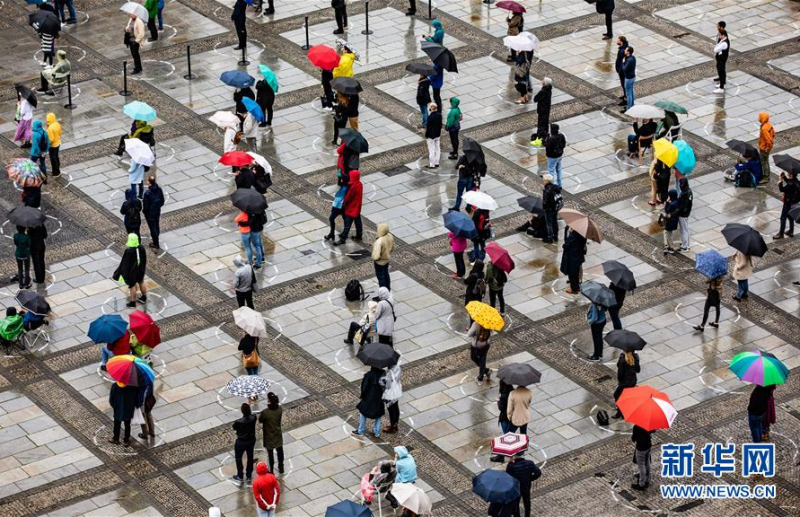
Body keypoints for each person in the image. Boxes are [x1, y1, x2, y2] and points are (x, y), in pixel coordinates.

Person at [112, 233, 148, 308]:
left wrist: (123, 273)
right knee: (141, 281)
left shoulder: (129, 251)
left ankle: (133, 302)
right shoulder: (141, 247)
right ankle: (144, 297)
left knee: (132, 286)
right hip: (140, 269)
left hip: (132, 271)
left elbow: (125, 263)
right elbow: (144, 259)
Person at [354, 367, 385, 438]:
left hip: (369, 397)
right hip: (379, 398)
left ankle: (361, 431)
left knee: (363, 412)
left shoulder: (368, 375)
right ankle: (376, 432)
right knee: (378, 414)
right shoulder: (384, 375)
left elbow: (364, 387)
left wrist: (362, 395)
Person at [258, 393, 285, 474]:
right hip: (277, 433)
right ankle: (281, 467)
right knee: (280, 451)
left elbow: (260, 420)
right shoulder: (280, 409)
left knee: (270, 454)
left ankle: (271, 470)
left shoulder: (265, 412)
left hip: (269, 435)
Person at [231, 403, 257, 484]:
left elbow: (234, 427)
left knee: (238, 458)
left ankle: (240, 476)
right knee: (250, 456)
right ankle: (249, 474)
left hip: (241, 441)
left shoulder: (239, 422)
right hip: (251, 440)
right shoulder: (254, 417)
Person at [490, 380, 514, 462]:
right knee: (509, 435)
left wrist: (498, 400)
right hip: (514, 417)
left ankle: (501, 456)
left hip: (505, 418)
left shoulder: (504, 396)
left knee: (506, 437)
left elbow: (501, 408)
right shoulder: (513, 392)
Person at [109, 381, 138, 446]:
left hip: (118, 408)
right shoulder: (132, 386)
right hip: (128, 409)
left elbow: (111, 399)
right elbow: (135, 398)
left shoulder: (115, 386)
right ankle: (126, 440)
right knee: (127, 425)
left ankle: (116, 438)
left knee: (116, 424)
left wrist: (115, 406)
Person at [612, 351, 639, 418]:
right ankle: (624, 411)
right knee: (626, 397)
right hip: (632, 381)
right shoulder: (636, 357)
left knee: (617, 395)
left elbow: (620, 373)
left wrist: (620, 381)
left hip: (624, 383)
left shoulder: (623, 359)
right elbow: (638, 370)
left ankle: (620, 412)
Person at [560, 227, 586, 294]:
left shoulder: (575, 234)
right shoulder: (583, 233)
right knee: (576, 272)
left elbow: (566, 245)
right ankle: (577, 286)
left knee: (572, 273)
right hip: (578, 255)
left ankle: (574, 289)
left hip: (572, 256)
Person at [141, 176, 164, 249]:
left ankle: (155, 243)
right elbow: (162, 200)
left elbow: (145, 205)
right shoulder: (159, 189)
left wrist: (144, 211)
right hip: (157, 210)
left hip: (150, 213)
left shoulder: (147, 193)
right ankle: (156, 236)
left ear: (149, 182)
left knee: (152, 227)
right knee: (156, 224)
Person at [776, 169, 799, 239]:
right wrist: (784, 177)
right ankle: (791, 231)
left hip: (788, 202)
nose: (788, 173)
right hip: (794, 202)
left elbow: (782, 189)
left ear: (791, 174)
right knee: (790, 216)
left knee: (783, 218)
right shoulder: (797, 181)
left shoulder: (790, 184)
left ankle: (781, 234)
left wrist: (780, 182)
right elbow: (790, 182)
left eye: (789, 173)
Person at [529, 78, 552, 146]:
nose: (541, 81)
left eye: (543, 80)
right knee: (545, 123)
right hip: (546, 109)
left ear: (544, 83)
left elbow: (535, 99)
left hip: (542, 110)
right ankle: (545, 136)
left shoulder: (543, 91)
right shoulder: (549, 90)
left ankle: (539, 139)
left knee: (541, 124)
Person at [467, 320, 492, 385]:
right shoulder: (490, 322)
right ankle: (486, 371)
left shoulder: (476, 324)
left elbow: (469, 334)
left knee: (474, 358)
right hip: (486, 344)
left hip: (477, 345)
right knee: (482, 359)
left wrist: (468, 329)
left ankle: (480, 377)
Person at [380, 363, 402, 434]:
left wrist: (382, 382)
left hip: (390, 394)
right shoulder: (398, 368)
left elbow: (388, 386)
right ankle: (395, 424)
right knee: (396, 407)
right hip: (396, 391)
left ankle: (392, 427)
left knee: (391, 410)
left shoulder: (389, 373)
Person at [372, 223, 394, 290]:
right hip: (386, 259)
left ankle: (383, 292)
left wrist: (375, 258)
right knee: (386, 274)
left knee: (381, 277)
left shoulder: (379, 241)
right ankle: (388, 289)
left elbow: (376, 256)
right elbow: (392, 247)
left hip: (380, 262)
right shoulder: (390, 236)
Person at [631, 424, 652, 490]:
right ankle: (647, 480)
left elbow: (633, 439)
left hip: (641, 448)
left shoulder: (636, 427)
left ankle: (641, 484)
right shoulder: (649, 424)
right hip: (648, 445)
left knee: (641, 466)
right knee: (647, 462)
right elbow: (652, 431)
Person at [464, 260, 486, 324]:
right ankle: (475, 324)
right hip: (478, 294)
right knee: (476, 310)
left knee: (472, 311)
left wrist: (467, 277)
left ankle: (472, 326)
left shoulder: (473, 275)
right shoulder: (482, 274)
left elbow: (466, 282)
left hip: (472, 294)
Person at [542, 174, 561, 244]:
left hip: (549, 209)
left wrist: (544, 207)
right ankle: (556, 236)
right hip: (555, 208)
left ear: (546, 181)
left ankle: (549, 238)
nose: (543, 181)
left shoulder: (547, 190)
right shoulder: (555, 187)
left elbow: (545, 201)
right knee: (555, 221)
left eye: (544, 180)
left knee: (549, 224)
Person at [676, 177, 692, 251]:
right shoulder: (689, 191)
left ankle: (685, 246)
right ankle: (686, 243)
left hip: (683, 214)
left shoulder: (684, 194)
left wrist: (677, 211)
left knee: (683, 230)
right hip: (687, 213)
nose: (680, 185)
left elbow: (682, 206)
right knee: (686, 228)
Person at [759, 112, 775, 184]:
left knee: (764, 162)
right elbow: (773, 133)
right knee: (766, 161)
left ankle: (766, 177)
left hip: (764, 149)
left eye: (759, 117)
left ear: (762, 118)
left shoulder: (764, 128)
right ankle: (767, 174)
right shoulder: (768, 125)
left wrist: (767, 148)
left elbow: (769, 140)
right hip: (765, 148)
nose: (758, 118)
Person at [662, 189, 680, 254]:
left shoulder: (672, 204)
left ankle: (669, 247)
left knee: (667, 234)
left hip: (669, 222)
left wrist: (667, 202)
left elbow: (666, 210)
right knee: (668, 233)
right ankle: (668, 246)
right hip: (674, 222)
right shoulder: (677, 202)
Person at [713, 23, 729, 94]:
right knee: (721, 71)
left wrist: (717, 47)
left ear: (723, 35)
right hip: (720, 58)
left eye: (720, 35)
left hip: (722, 59)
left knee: (721, 72)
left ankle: (721, 88)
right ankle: (722, 83)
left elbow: (715, 50)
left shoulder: (724, 43)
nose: (719, 36)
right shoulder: (723, 40)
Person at [45, 113, 62, 178]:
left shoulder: (50, 128)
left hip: (53, 145)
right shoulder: (57, 124)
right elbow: (60, 132)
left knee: (53, 159)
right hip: (58, 143)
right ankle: (58, 169)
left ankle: (56, 172)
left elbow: (51, 139)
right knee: (56, 156)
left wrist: (47, 144)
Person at [425, 102, 442, 169]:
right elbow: (440, 125)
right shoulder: (439, 115)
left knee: (431, 150)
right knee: (438, 148)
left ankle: (432, 164)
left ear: (431, 109)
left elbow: (428, 128)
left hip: (431, 136)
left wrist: (426, 135)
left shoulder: (430, 117)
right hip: (437, 134)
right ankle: (437, 162)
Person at [615, 36, 629, 106]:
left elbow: (622, 60)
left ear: (621, 41)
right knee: (623, 84)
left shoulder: (622, 51)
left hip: (622, 70)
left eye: (618, 40)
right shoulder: (624, 48)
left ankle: (626, 99)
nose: (617, 41)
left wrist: (620, 69)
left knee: (624, 84)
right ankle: (625, 96)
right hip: (622, 69)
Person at [622, 46, 636, 110]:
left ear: (628, 52)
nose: (624, 50)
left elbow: (624, 69)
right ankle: (632, 105)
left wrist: (623, 62)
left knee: (628, 94)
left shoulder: (629, 60)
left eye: (626, 50)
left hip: (629, 78)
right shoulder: (633, 57)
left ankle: (629, 108)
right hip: (632, 77)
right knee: (631, 91)